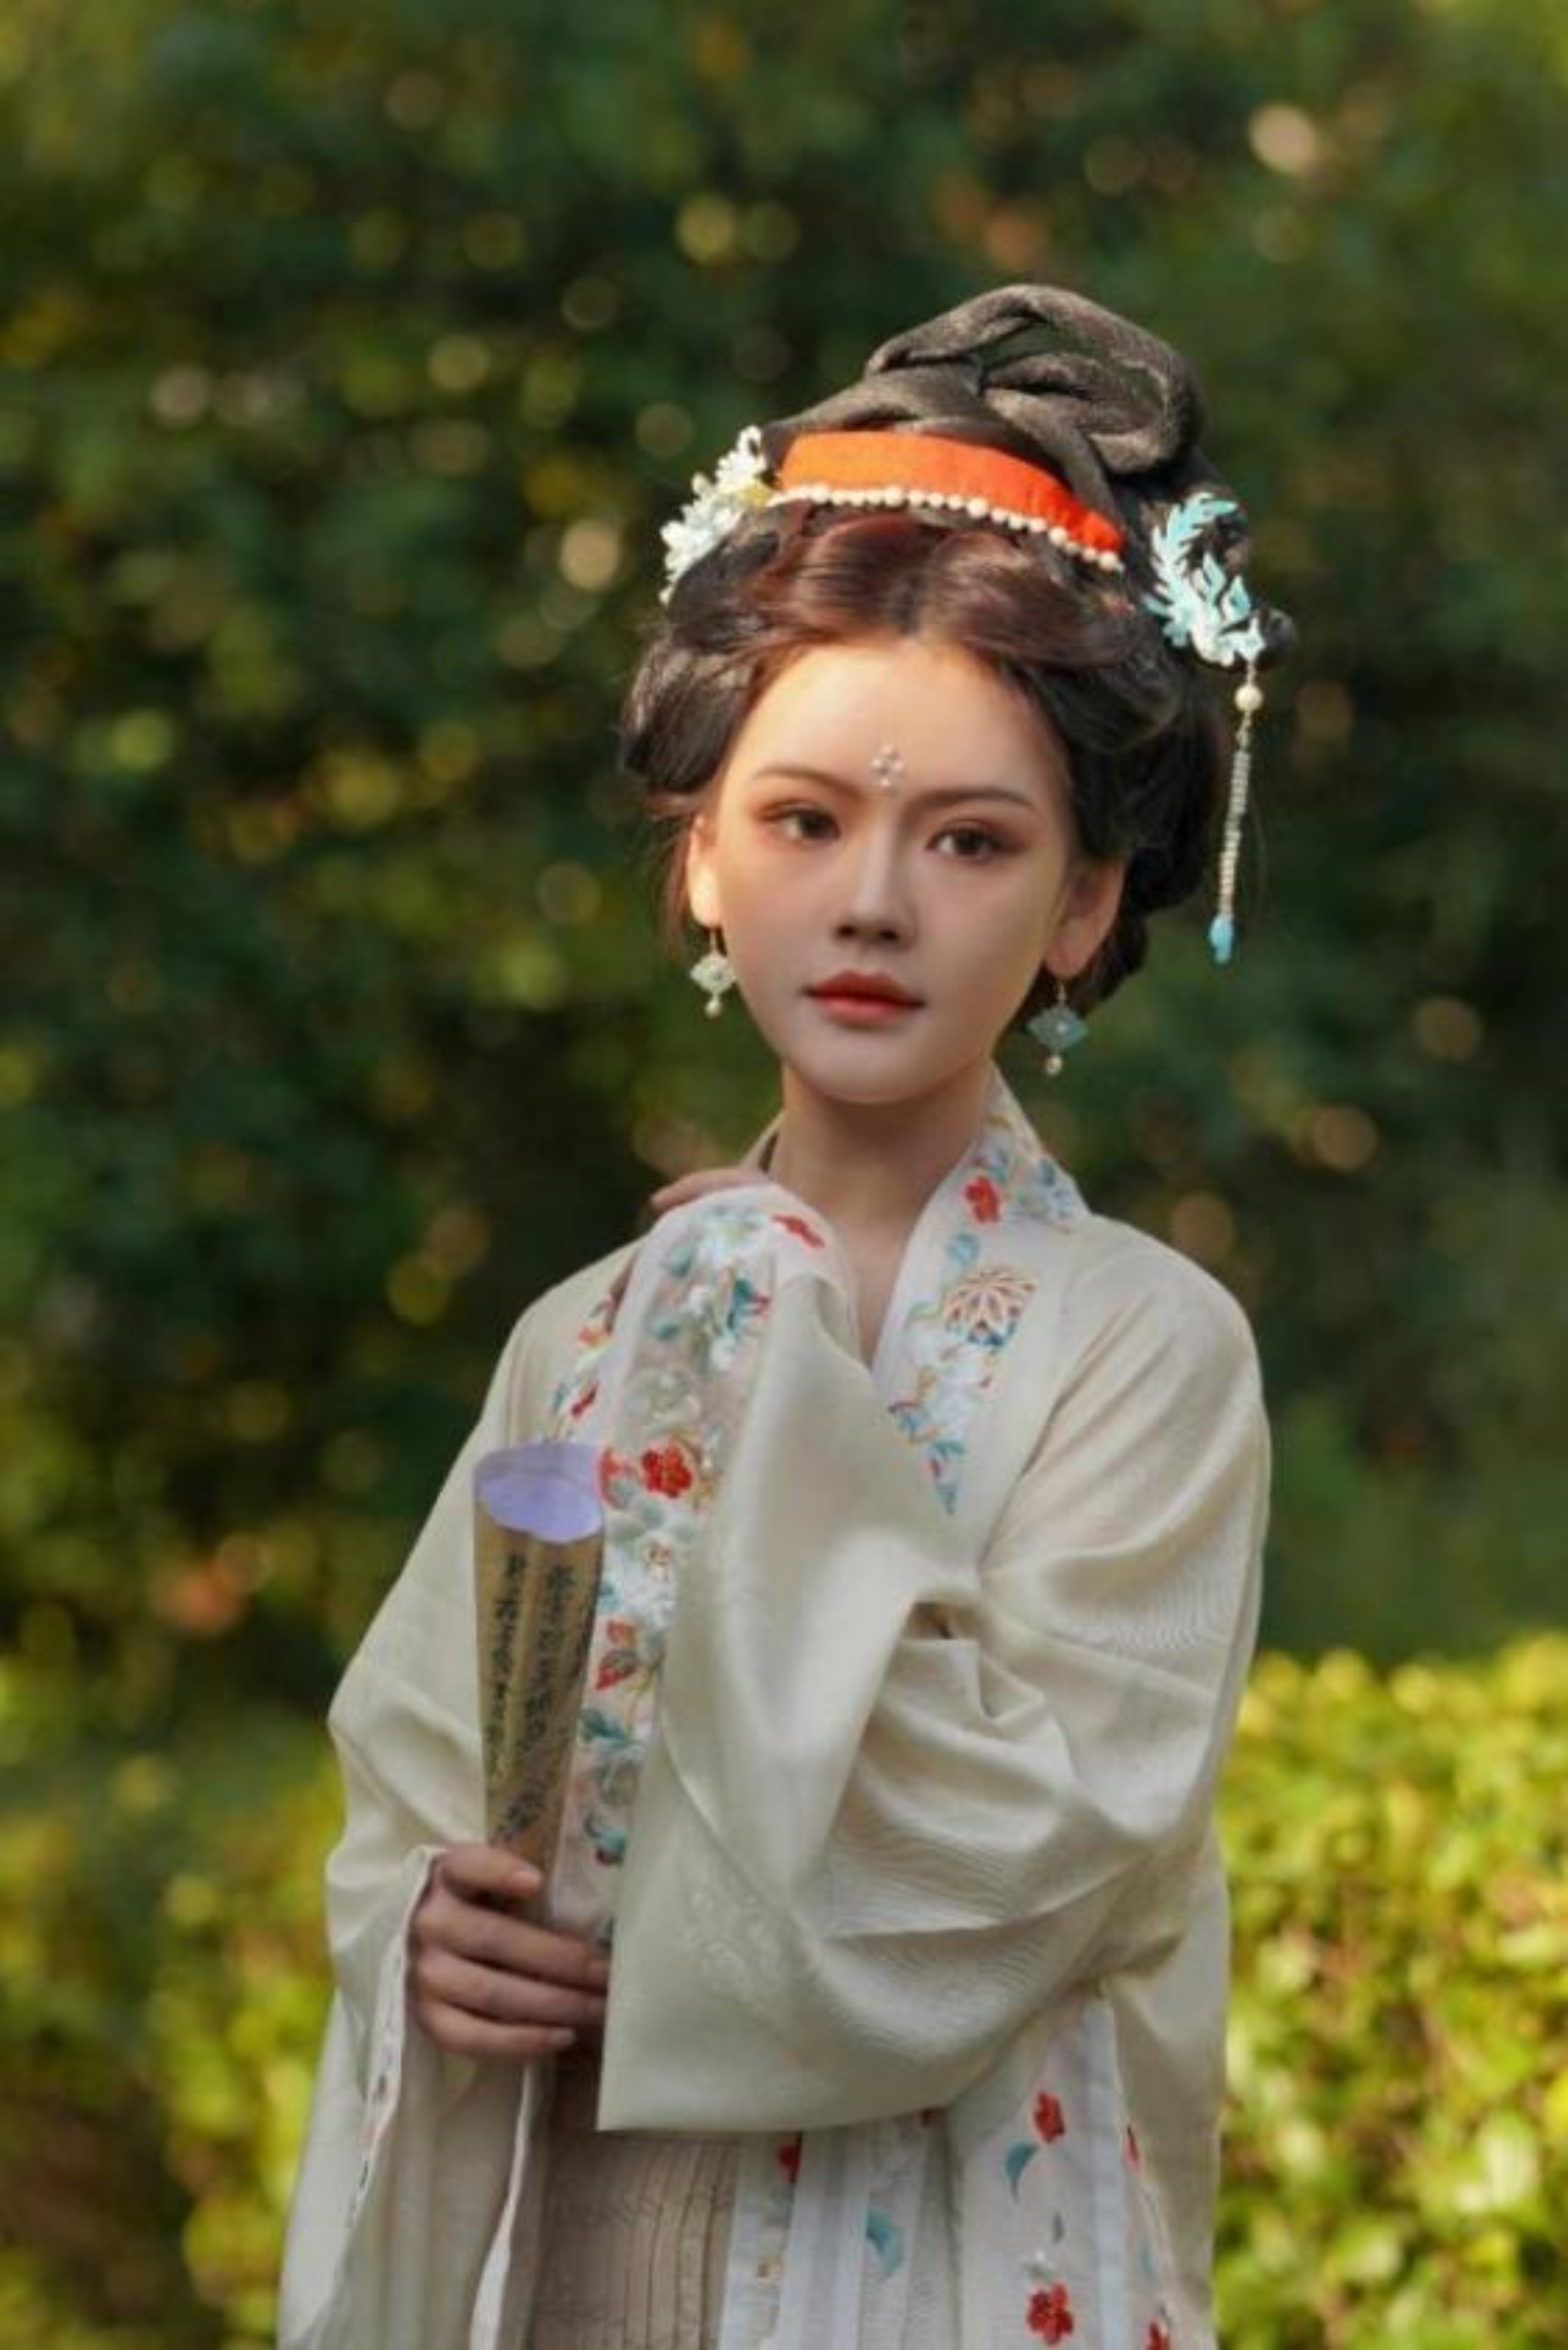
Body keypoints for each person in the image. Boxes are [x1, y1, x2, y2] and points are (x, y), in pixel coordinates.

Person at [278, 282, 1293, 2350]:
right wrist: (433, 1935)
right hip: (581, 2259)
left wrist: (762, 1353)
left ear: (1082, 904)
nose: (873, 902)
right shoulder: (581, 1336)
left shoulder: (1146, 1348)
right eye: (804, 819)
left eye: (972, 841)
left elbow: (1012, 1863)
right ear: (703, 866)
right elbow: (436, 1796)